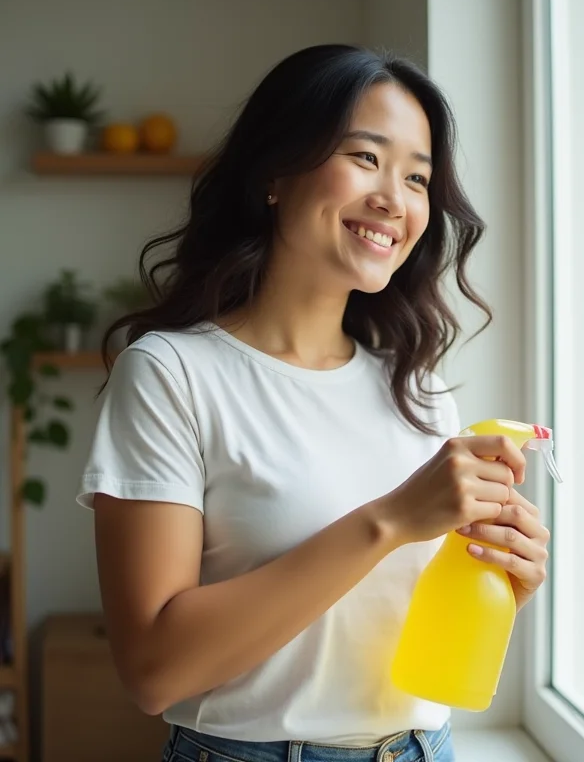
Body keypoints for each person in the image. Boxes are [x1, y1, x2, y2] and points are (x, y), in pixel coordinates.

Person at [76, 44, 551, 762]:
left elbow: (386, 629)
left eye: (418, 177)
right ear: (275, 173)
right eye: (366, 158)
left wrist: (498, 585)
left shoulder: (417, 389)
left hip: (427, 746)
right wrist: (390, 520)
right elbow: (153, 670)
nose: (395, 198)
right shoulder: (172, 374)